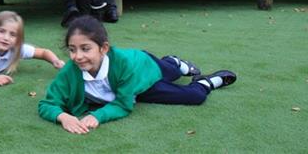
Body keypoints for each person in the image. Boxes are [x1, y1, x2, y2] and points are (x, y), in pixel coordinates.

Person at [38, 16, 237, 133]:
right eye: (72, 49)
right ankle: (204, 81)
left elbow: (124, 106)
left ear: (103, 48)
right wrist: (63, 117)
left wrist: (98, 116)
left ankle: (179, 65)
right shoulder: (69, 72)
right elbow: (47, 104)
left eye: (85, 48)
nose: (78, 56)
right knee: (190, 91)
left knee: (176, 76)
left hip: (143, 69)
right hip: (134, 91)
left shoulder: (124, 65)